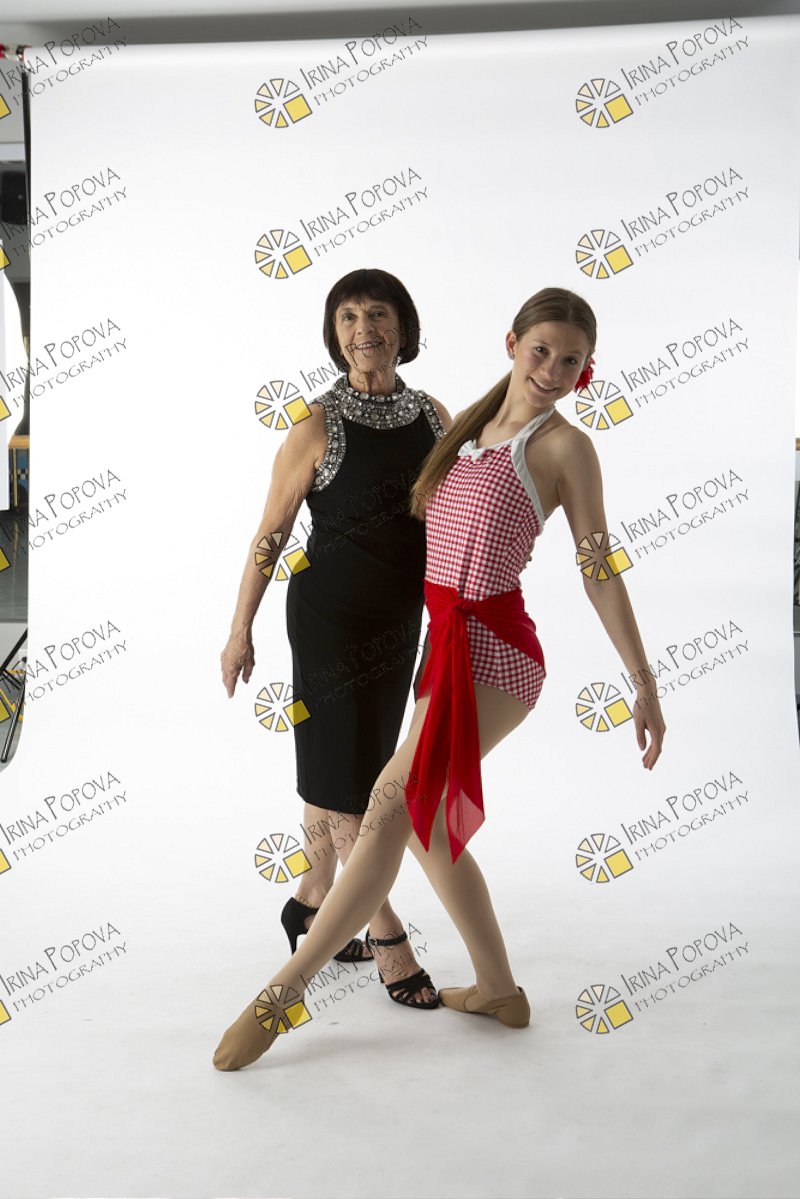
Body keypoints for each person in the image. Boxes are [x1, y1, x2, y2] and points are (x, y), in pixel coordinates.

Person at [213, 285, 666, 1070]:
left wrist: (643, 678)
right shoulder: (464, 429)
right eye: (541, 351)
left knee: (390, 803)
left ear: (586, 371)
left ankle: (285, 990)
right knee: (424, 829)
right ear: (512, 345)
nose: (552, 370)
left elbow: (598, 566)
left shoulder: (565, 448)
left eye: (571, 361)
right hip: (436, 649)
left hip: (497, 654)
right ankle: (498, 989)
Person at [220, 267, 451, 1008]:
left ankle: (312, 898)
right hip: (328, 623)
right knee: (355, 791)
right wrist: (239, 630)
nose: (363, 330)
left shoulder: (434, 416)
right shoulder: (317, 424)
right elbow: (270, 534)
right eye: (348, 317)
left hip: (398, 623)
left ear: (403, 328)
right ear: (334, 334)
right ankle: (387, 937)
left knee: (358, 773)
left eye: (377, 314)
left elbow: (452, 519)